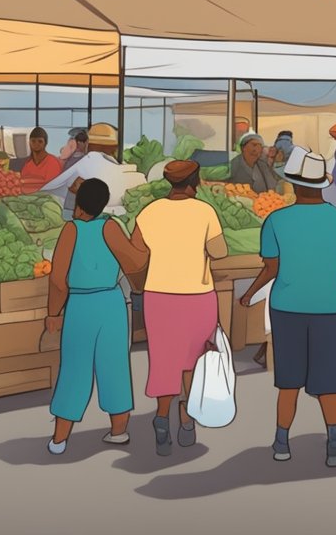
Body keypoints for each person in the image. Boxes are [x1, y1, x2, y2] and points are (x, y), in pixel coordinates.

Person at [239, 146, 336, 468]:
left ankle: (281, 441)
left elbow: (271, 268)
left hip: (288, 306)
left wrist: (248, 294)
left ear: (293, 184)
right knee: (332, 378)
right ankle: (334, 442)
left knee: (288, 378)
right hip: (331, 305)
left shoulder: (276, 220)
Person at [44, 178, 150, 455]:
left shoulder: (71, 230)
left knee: (74, 370)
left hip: (80, 305)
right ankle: (118, 431)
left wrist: (53, 313)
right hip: (112, 303)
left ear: (79, 204)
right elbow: (136, 262)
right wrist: (141, 238)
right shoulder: (111, 227)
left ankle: (59, 438)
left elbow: (58, 280)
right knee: (114, 366)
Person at [130, 160, 227, 456]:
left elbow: (137, 255)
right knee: (194, 359)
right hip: (198, 296)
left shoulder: (149, 212)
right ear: (194, 183)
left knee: (164, 358)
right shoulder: (205, 212)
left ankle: (162, 418)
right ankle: (186, 418)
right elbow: (219, 252)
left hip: (159, 297)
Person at [41, 124, 145, 219]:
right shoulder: (130, 173)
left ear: (88, 144)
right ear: (114, 148)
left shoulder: (88, 163)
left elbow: (58, 187)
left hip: (79, 219)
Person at [19, 127, 63, 194]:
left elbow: (51, 188)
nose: (36, 144)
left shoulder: (53, 162)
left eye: (40, 141)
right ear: (29, 142)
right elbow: (22, 185)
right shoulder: (27, 165)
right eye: (33, 141)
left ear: (45, 143)